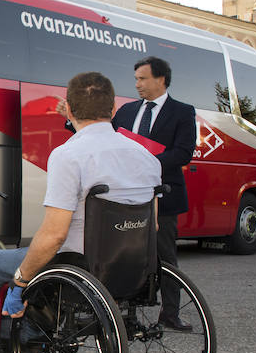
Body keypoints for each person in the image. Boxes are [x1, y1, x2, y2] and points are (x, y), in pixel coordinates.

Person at [0, 72, 161, 352]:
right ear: (113, 109)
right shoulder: (147, 157)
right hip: (134, 266)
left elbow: (54, 236)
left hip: (79, 266)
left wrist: (21, 281)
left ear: (71, 109)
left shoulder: (69, 155)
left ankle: (22, 339)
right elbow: (154, 226)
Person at [58, 56, 196, 330]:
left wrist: (144, 162)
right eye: (135, 79)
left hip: (159, 194)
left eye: (143, 79)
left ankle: (170, 313)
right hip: (123, 196)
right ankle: (120, 311)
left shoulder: (182, 111)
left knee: (165, 256)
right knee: (121, 253)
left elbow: (183, 153)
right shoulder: (128, 110)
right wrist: (71, 119)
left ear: (161, 79)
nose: (137, 84)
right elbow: (102, 134)